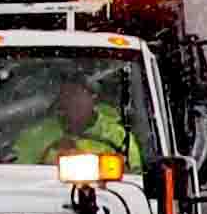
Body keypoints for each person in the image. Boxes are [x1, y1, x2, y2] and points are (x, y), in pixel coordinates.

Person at [12, 71, 143, 171]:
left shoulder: (118, 137)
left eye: (78, 94)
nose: (73, 101)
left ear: (93, 98)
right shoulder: (36, 135)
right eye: (67, 95)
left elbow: (135, 179)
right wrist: (48, 160)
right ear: (60, 100)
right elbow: (18, 176)